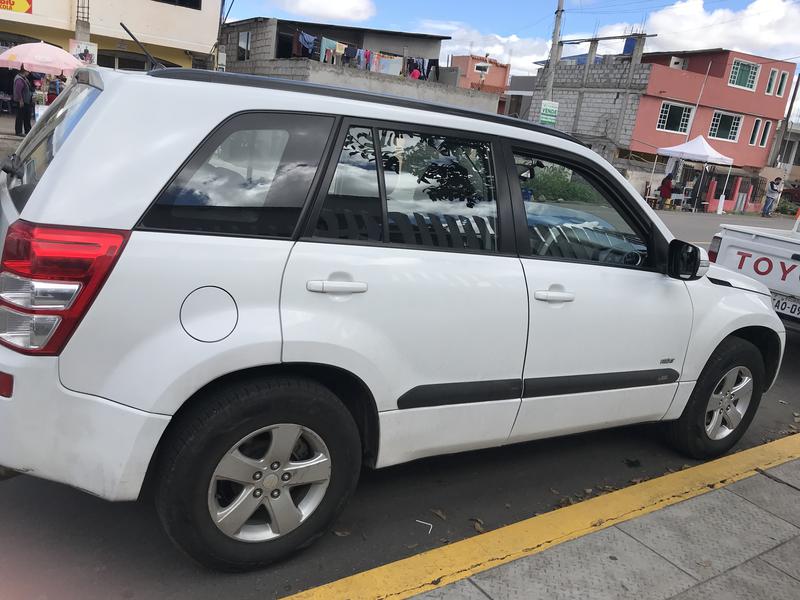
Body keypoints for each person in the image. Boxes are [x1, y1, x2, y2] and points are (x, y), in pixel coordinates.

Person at [12, 67, 32, 137]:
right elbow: (18, 90)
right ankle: (19, 131)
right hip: (22, 101)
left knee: (27, 116)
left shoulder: (24, 78)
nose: (29, 73)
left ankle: (28, 130)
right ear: (24, 71)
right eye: (28, 71)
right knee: (20, 116)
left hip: (26, 100)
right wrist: (20, 100)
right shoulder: (19, 79)